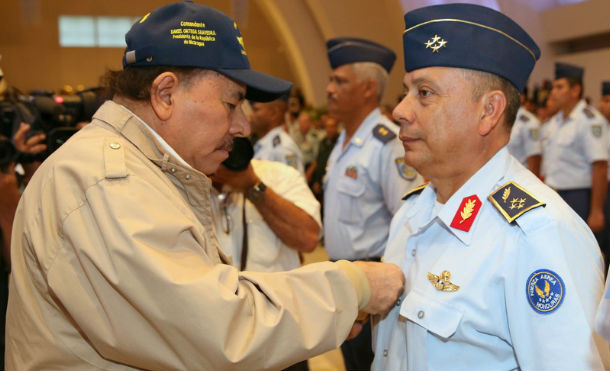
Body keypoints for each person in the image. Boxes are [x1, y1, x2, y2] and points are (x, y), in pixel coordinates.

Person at [5, 3, 406, 370]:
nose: (243, 127)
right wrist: (352, 286)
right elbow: (217, 328)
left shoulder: (130, 169)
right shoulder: (108, 182)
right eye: (231, 105)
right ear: (165, 94)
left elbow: (200, 294)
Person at [372, 3, 609, 370]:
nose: (400, 110)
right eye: (407, 91)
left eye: (424, 93)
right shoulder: (412, 213)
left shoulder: (538, 236)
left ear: (489, 111)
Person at [323, 37, 422, 371]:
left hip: (373, 284)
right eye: (331, 80)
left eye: (340, 81)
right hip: (344, 277)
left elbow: (409, 219)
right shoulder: (342, 141)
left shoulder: (386, 143)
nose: (329, 89)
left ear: (367, 89)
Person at [542, 63, 608, 237]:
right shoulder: (555, 121)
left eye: (559, 87)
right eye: (553, 87)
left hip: (578, 197)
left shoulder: (589, 120)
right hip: (554, 194)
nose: (553, 92)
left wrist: (596, 211)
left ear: (575, 90)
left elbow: (600, 166)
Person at [251, 95, 305, 174]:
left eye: (256, 110)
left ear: (273, 113)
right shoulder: (265, 145)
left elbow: (294, 184)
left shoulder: (283, 147)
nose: (251, 116)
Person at [507, 91, 542, 176]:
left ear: (521, 97)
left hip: (518, 179)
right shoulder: (499, 118)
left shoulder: (529, 122)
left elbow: (534, 157)